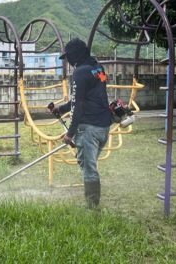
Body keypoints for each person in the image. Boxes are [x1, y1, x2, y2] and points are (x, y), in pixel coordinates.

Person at [52, 38, 112, 208]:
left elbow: (79, 104)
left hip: (89, 129)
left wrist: (70, 133)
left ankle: (92, 208)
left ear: (74, 56)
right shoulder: (97, 68)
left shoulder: (79, 72)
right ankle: (92, 203)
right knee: (89, 164)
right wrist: (62, 109)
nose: (68, 61)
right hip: (103, 127)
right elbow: (87, 97)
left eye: (68, 57)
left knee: (88, 168)